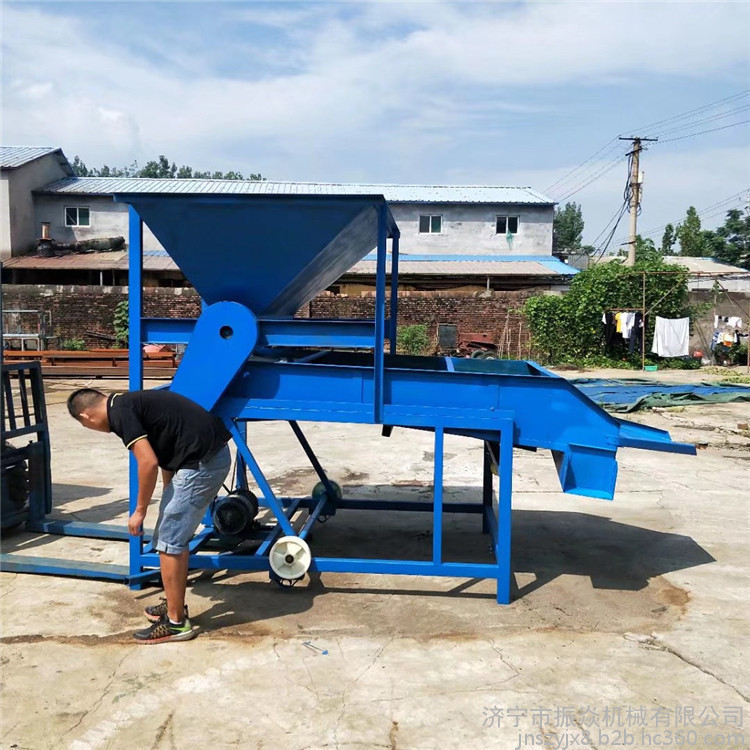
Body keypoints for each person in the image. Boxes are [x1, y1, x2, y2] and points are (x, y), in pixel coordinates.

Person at [67, 387, 231, 644]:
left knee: (170, 543)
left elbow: (148, 462)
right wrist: (168, 489)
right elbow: (167, 446)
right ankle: (174, 603)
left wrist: (139, 511)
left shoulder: (120, 415)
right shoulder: (125, 404)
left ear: (86, 417)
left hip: (203, 464)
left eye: (86, 425)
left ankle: (176, 624)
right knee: (169, 538)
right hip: (204, 456)